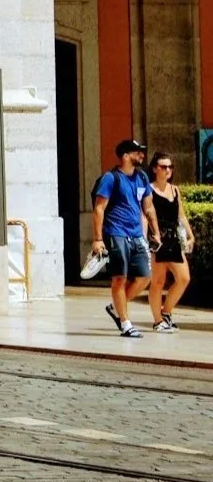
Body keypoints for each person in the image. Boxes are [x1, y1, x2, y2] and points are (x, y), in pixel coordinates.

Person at [92, 138, 160, 338]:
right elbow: (99, 209)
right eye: (137, 152)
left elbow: (148, 206)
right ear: (125, 156)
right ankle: (125, 322)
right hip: (116, 233)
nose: (141, 155)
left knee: (144, 277)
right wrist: (97, 239)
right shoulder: (110, 178)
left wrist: (155, 230)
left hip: (137, 234)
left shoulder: (142, 178)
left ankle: (115, 307)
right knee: (119, 278)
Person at [147, 152, 195, 333]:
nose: (167, 170)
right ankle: (157, 321)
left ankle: (166, 312)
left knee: (184, 278)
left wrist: (190, 235)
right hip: (157, 239)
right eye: (163, 166)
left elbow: (180, 214)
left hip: (174, 238)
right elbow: (146, 215)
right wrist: (152, 236)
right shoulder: (149, 190)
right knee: (158, 281)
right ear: (154, 168)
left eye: (170, 167)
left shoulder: (174, 190)